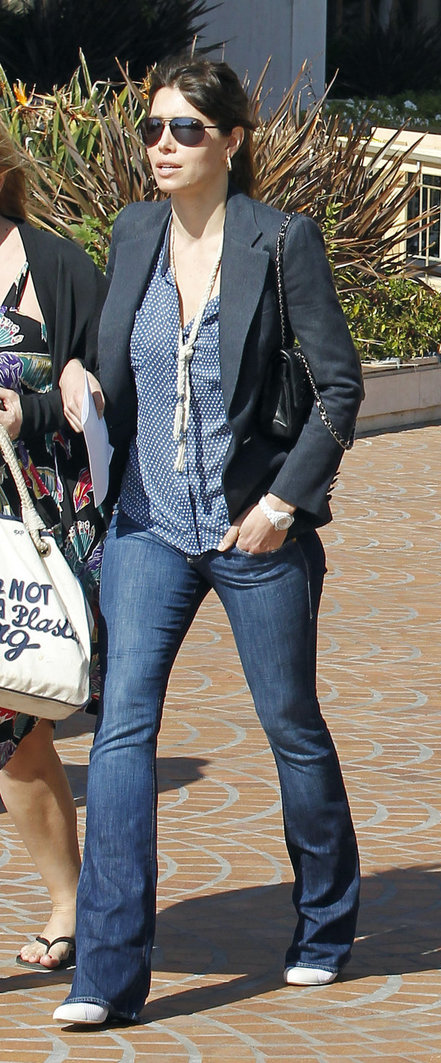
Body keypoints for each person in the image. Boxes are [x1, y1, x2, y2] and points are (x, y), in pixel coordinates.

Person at [53, 56, 364, 1026]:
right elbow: (118, 358)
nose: (163, 147)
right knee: (120, 736)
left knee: (290, 727)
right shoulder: (134, 229)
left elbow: (340, 388)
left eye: (186, 130)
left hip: (252, 529)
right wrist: (77, 376)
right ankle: (105, 971)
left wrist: (282, 504)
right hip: (147, 524)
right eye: (152, 129)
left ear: (232, 142)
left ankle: (324, 922)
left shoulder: (281, 241)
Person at [0, 122, 107, 974]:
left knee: (12, 721)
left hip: (33, 527)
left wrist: (41, 405)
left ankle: (72, 901)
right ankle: (71, 899)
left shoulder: (56, 266)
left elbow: (108, 386)